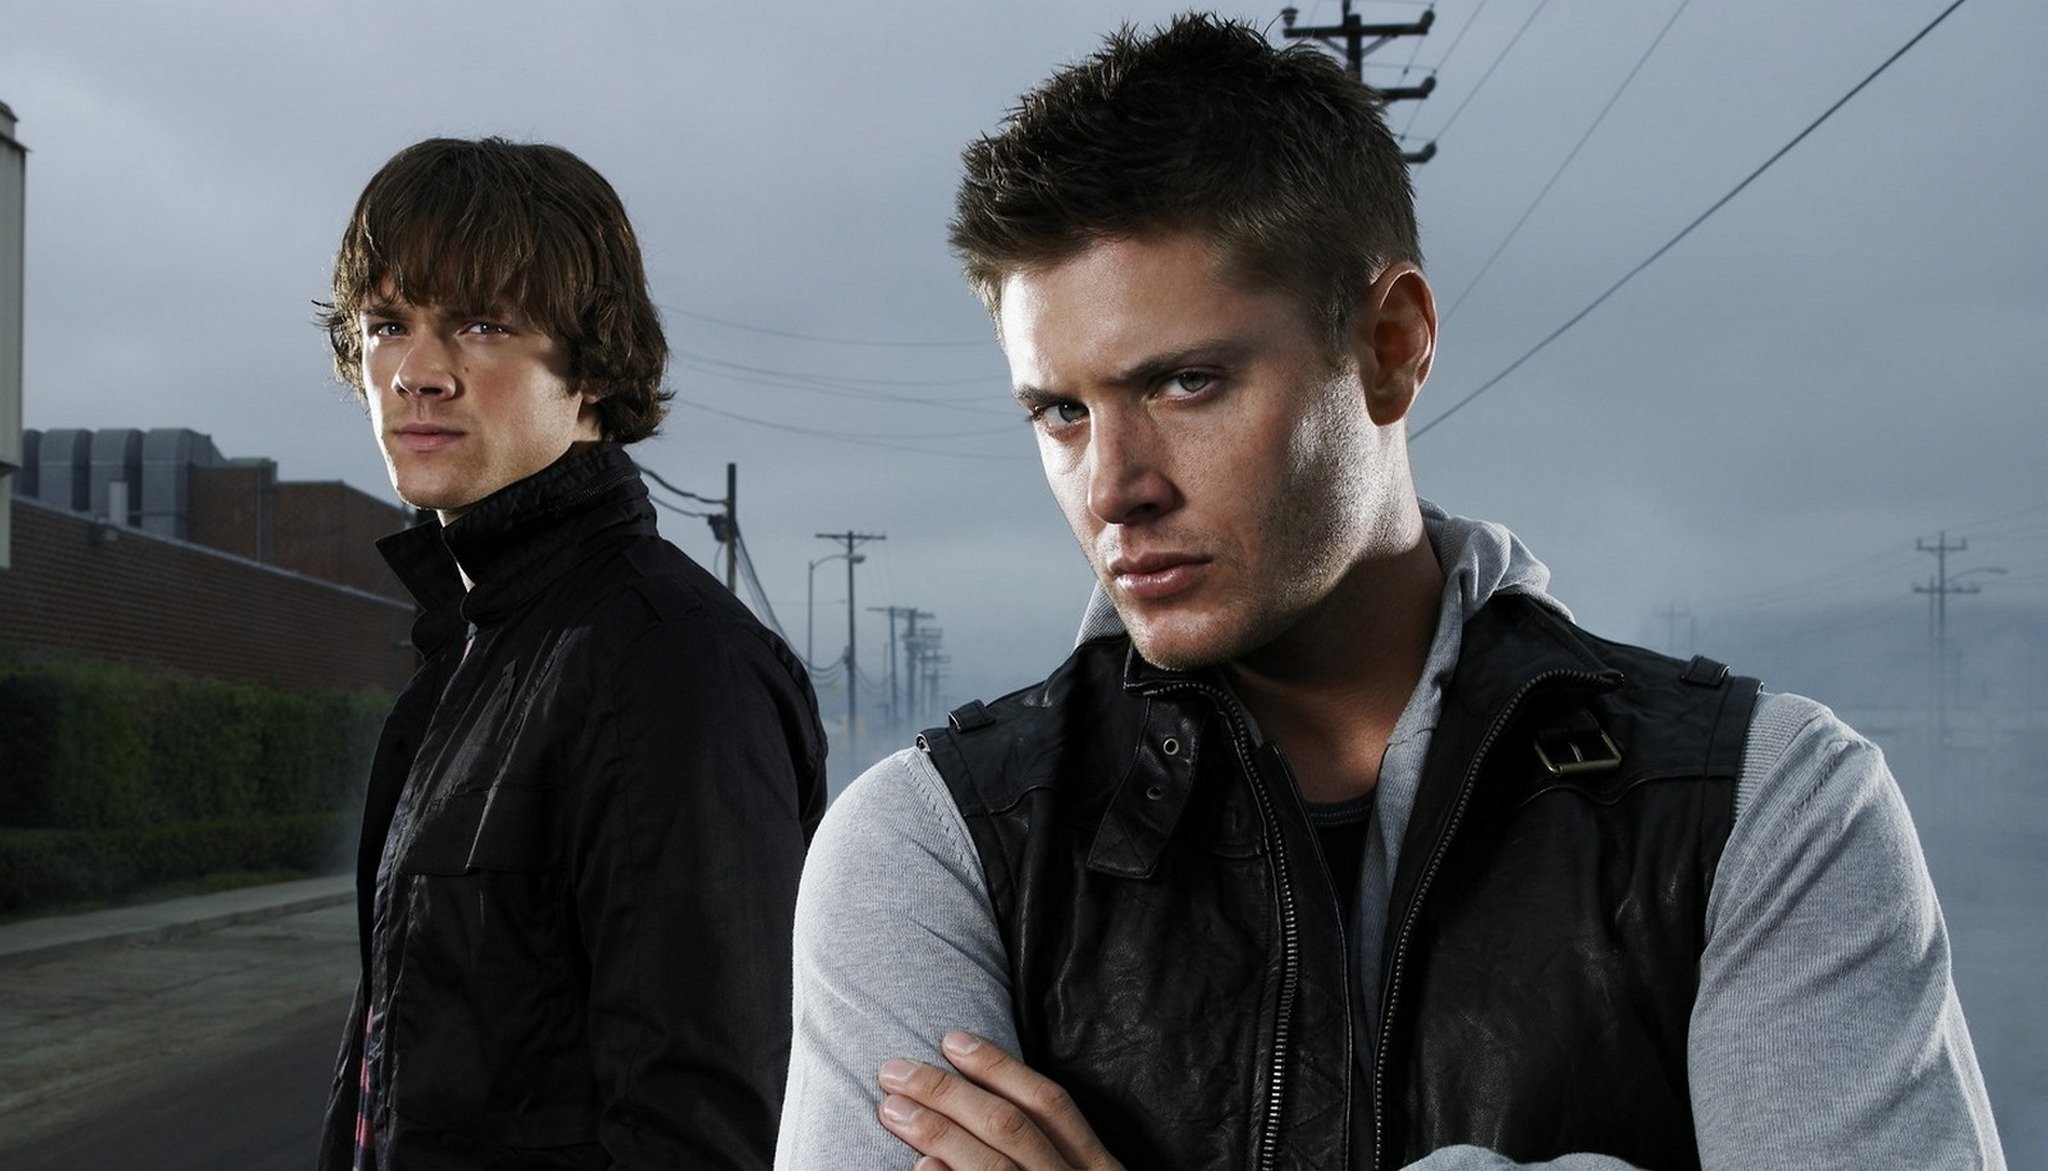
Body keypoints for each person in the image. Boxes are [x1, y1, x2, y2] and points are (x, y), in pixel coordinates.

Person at [777, 16, 2004, 1170]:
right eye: (1058, 411)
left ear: (1391, 345)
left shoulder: (1760, 805)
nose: (1113, 487)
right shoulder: (933, 847)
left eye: (1187, 382)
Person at [315, 137, 826, 1170]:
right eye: (386, 325)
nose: (415, 373)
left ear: (592, 366)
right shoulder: (478, 647)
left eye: (481, 324)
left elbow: (707, 1130)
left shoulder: (669, 668)